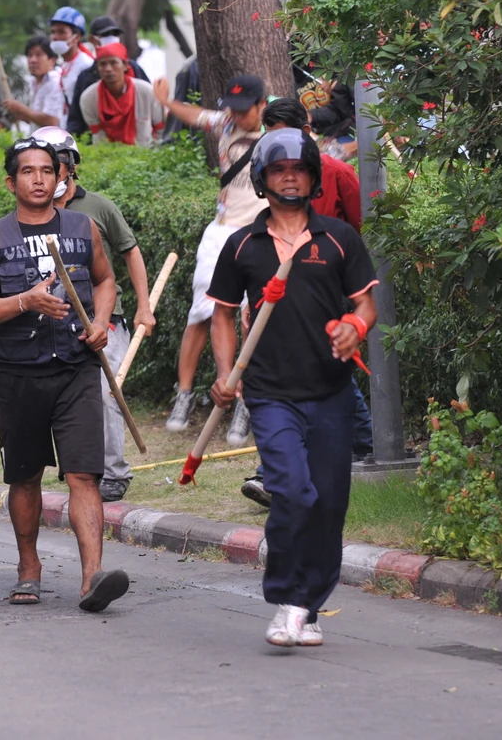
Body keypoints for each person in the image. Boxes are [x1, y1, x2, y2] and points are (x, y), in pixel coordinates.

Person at [207, 129, 378, 647]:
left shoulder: (339, 240)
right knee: (294, 493)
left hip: (332, 393)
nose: (289, 176)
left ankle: (307, 606)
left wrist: (357, 326)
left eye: (299, 169)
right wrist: (223, 372)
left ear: (311, 178)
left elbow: (365, 303)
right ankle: (285, 593)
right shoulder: (242, 244)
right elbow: (221, 314)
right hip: (270, 393)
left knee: (328, 506)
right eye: (279, 169)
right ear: (262, 178)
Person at [0, 137, 130, 611]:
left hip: (76, 368)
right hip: (18, 374)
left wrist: (100, 323)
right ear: (11, 181)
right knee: (25, 476)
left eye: (47, 170)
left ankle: (91, 578)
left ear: (61, 177)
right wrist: (25, 301)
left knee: (84, 475)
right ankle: (29, 566)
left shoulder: (82, 228)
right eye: (27, 171)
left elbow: (104, 280)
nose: (38, 178)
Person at [240, 98, 372, 507]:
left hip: (323, 285)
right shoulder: (264, 174)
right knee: (279, 367)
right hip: (275, 286)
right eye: (271, 135)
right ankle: (275, 469)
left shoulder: (338, 173)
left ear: (306, 133)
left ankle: (363, 444)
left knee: (324, 365)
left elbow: (356, 229)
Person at [32, 125, 154, 502]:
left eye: (54, 166)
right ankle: (77, 468)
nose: (45, 175)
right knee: (60, 396)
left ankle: (115, 473)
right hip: (55, 321)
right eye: (38, 167)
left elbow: (129, 251)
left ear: (70, 168)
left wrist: (144, 307)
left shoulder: (98, 207)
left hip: (105, 318)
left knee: (105, 392)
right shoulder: (34, 213)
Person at [154, 74, 268, 440]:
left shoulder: (278, 129)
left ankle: (245, 404)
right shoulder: (225, 122)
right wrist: (166, 103)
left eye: (243, 110)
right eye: (230, 109)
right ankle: (185, 395)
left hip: (261, 233)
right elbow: (196, 115)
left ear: (261, 105)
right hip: (220, 231)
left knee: (254, 319)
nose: (234, 116)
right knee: (203, 312)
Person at [66, 15, 149, 137]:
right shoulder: (86, 77)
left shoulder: (133, 69)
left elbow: (149, 103)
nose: (109, 70)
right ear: (92, 39)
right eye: (105, 35)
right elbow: (76, 119)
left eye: (115, 34)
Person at [80, 43, 164, 147]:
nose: (108, 69)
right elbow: (98, 136)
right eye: (102, 64)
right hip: (109, 158)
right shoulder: (88, 98)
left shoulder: (146, 92)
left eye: (113, 63)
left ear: (125, 65)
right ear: (97, 68)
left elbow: (160, 129)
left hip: (145, 156)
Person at [3, 36, 65, 130]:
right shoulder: (34, 82)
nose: (32, 60)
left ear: (52, 60)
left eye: (38, 55)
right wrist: (21, 116)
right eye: (29, 55)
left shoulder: (55, 82)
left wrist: (21, 108)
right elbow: (37, 119)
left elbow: (51, 121)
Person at [49, 6, 94, 128]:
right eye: (53, 32)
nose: (55, 37)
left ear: (77, 37)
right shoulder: (64, 63)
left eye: (61, 32)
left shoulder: (85, 66)